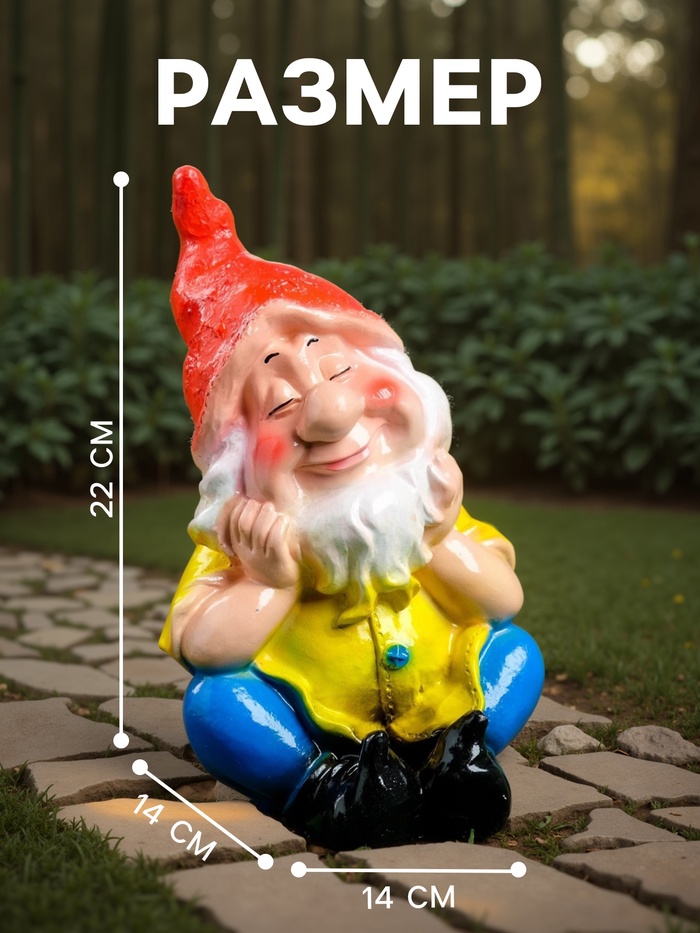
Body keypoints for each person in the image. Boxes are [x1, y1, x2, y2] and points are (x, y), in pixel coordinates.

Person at [160, 165, 544, 849]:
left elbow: (502, 601)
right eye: (281, 404)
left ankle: (458, 758)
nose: (332, 413)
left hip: (441, 694)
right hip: (312, 714)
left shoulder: (424, 501)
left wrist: (439, 538)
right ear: (238, 456)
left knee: (516, 655)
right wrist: (270, 582)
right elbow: (206, 649)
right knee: (217, 706)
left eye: (339, 369)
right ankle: (322, 786)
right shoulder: (245, 540)